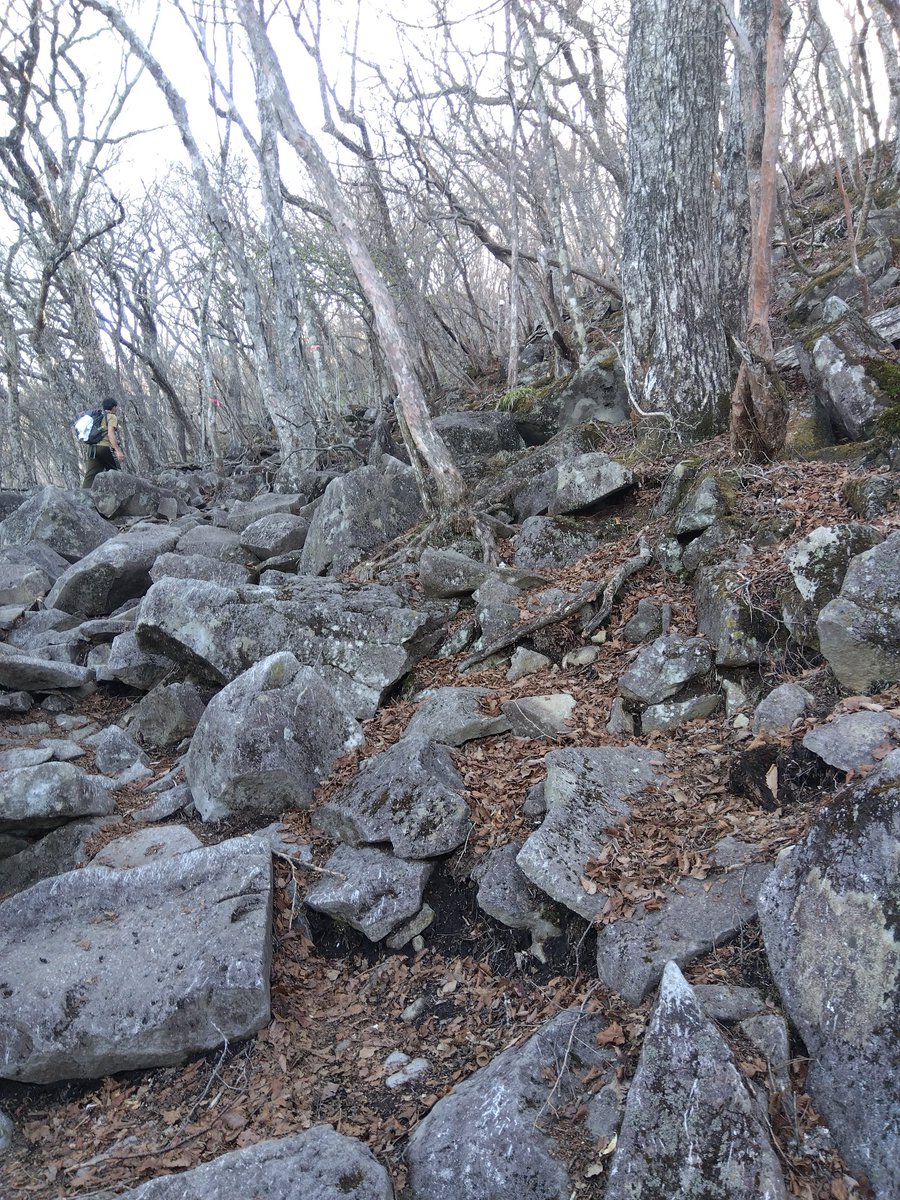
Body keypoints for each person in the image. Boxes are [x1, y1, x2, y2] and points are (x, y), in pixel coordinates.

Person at [82, 398, 125, 488]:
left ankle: (83, 497)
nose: (116, 409)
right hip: (104, 448)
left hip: (92, 449)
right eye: (116, 407)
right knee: (115, 472)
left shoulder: (97, 416)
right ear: (113, 407)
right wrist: (118, 450)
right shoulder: (111, 416)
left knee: (90, 476)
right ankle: (121, 497)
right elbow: (110, 434)